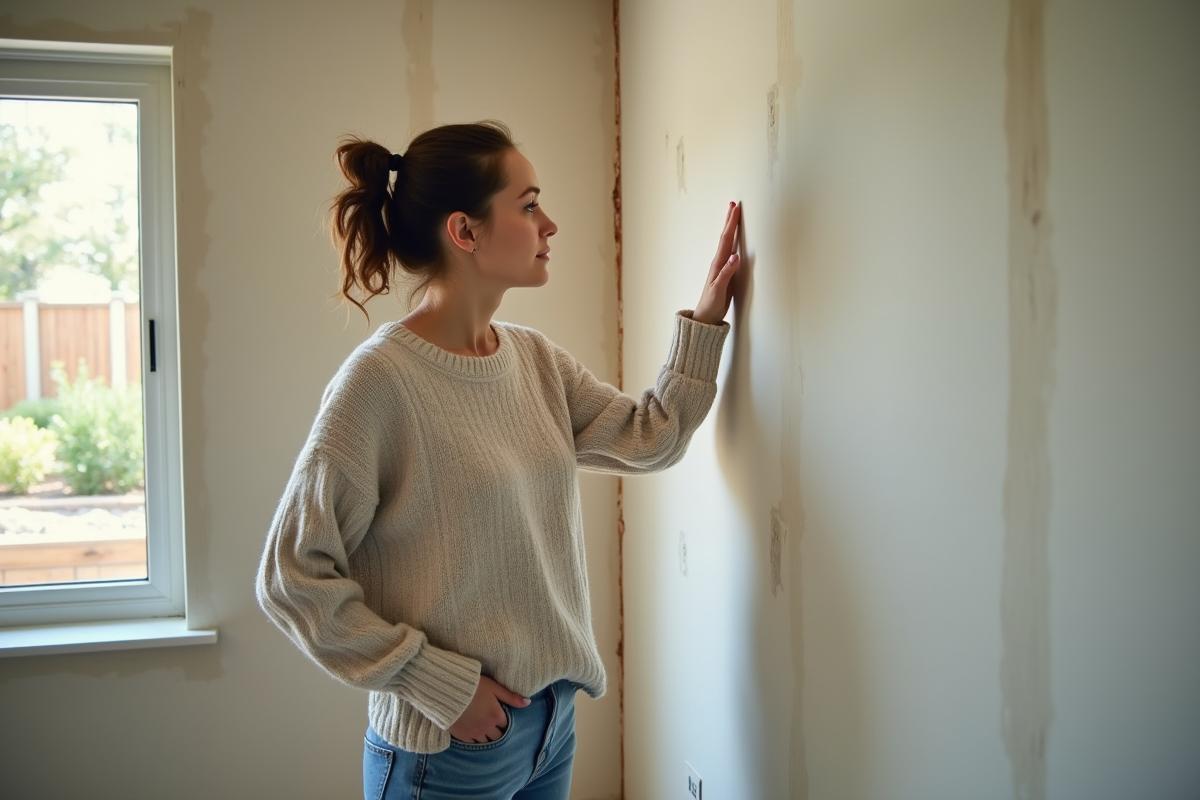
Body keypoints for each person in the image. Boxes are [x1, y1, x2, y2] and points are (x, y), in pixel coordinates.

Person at [256, 121, 742, 800]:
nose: (550, 225)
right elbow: (290, 577)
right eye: (529, 204)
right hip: (446, 750)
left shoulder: (533, 359)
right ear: (466, 231)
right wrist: (441, 686)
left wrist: (707, 322)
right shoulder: (379, 383)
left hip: (551, 730)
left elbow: (649, 438)